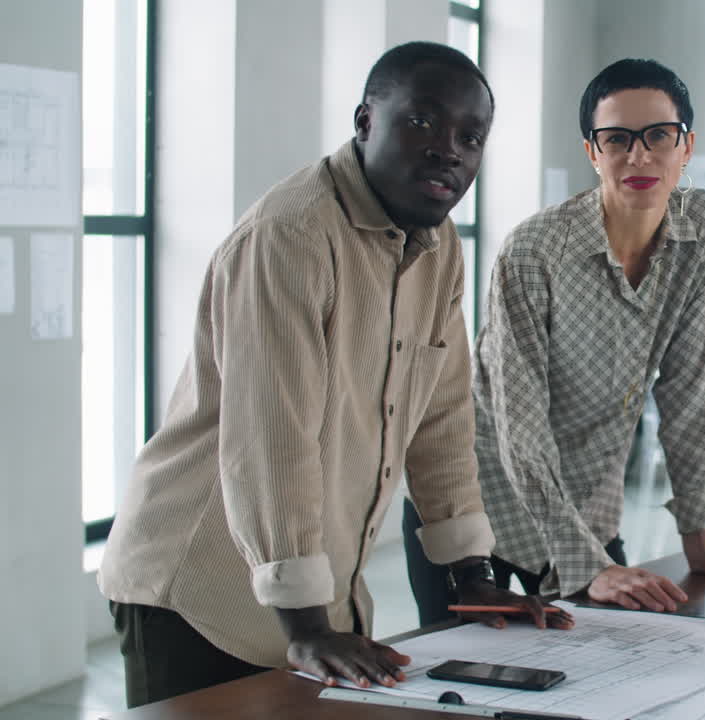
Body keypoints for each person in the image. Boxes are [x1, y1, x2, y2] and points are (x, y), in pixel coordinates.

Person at [98, 41, 569, 709]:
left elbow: (443, 419)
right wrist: (310, 628)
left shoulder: (438, 246)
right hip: (202, 591)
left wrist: (470, 574)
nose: (448, 149)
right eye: (421, 121)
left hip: (315, 599)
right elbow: (271, 440)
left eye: (471, 136)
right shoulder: (291, 235)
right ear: (364, 121)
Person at [403, 58, 705, 624]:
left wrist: (703, 545)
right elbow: (517, 423)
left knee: (619, 672)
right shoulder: (535, 250)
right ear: (593, 152)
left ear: (686, 146)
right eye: (617, 138)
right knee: (460, 700)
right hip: (474, 507)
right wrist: (588, 565)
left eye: (658, 135)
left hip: (587, 511)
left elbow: (694, 389)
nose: (639, 154)